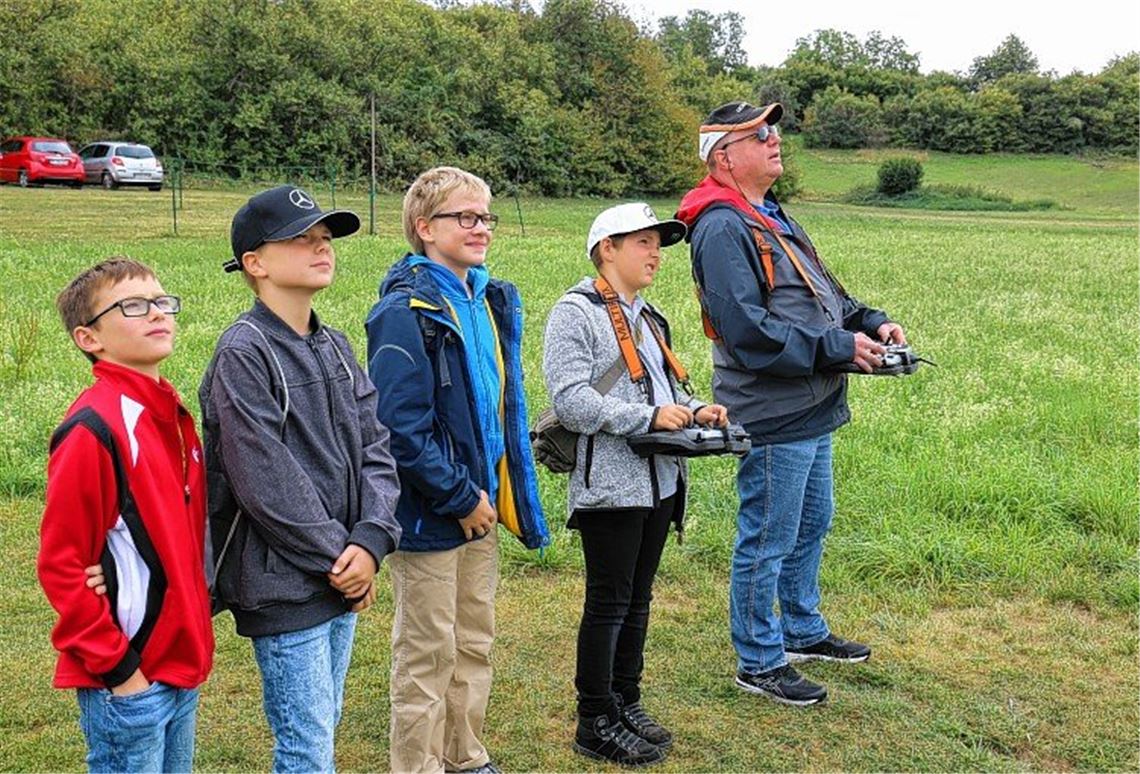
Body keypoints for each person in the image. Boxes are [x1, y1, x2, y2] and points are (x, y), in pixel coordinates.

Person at [676, 101, 907, 706]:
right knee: (768, 536)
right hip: (773, 409)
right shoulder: (723, 225)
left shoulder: (768, 214)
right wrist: (836, 346)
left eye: (773, 130)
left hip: (812, 400)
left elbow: (826, 297)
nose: (775, 140)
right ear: (723, 157)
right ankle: (757, 660)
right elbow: (746, 331)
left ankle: (801, 631)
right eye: (759, 134)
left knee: (811, 521)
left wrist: (872, 323)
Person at [200, 185, 402, 772]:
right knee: (306, 745)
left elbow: (377, 447)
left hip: (342, 573)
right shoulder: (245, 352)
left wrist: (370, 540)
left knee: (324, 724)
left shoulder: (335, 345)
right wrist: (341, 560)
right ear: (254, 264)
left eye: (324, 237)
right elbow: (264, 480)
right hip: (285, 583)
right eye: (299, 238)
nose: (321, 248)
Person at [364, 166, 549, 774]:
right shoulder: (404, 310)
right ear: (424, 227)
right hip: (433, 513)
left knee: (473, 642)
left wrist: (492, 494)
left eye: (486, 216)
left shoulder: (486, 299)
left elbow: (499, 406)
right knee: (426, 653)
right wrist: (459, 495)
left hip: (483, 506)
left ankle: (464, 756)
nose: (480, 228)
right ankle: (417, 766)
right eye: (464, 217)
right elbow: (399, 427)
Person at [543, 203, 728, 766]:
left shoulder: (649, 317)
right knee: (608, 604)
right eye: (642, 242)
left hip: (661, 482)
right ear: (607, 250)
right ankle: (593, 719)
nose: (655, 253)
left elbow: (664, 394)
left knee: (639, 600)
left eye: (658, 242)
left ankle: (627, 699)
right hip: (610, 486)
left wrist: (696, 410)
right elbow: (570, 401)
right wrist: (644, 420)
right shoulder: (574, 313)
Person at [38, 257, 214, 773]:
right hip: (130, 678)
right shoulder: (93, 428)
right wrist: (121, 670)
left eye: (162, 302)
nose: (157, 313)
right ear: (88, 338)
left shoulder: (171, 413)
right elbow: (62, 564)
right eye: (133, 307)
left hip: (180, 668)